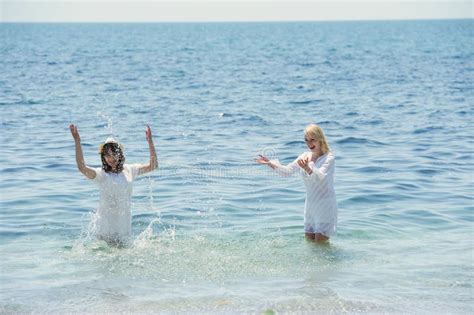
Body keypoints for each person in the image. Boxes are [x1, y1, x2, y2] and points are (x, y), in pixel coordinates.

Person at [69, 124, 158, 246]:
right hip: (105, 231)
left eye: (113, 154)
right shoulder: (101, 175)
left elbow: (153, 166)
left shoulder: (129, 170)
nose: (111, 159)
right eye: (107, 155)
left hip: (123, 229)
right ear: (103, 157)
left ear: (119, 153)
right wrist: (77, 141)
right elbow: (82, 167)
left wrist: (150, 142)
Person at [256, 124, 337, 242]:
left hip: (325, 206)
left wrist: (308, 168)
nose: (309, 144)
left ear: (320, 139)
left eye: (312, 140)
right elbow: (287, 171)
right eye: (306, 140)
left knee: (320, 245)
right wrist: (270, 163)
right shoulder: (305, 156)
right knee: (309, 243)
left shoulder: (329, 159)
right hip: (310, 206)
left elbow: (320, 178)